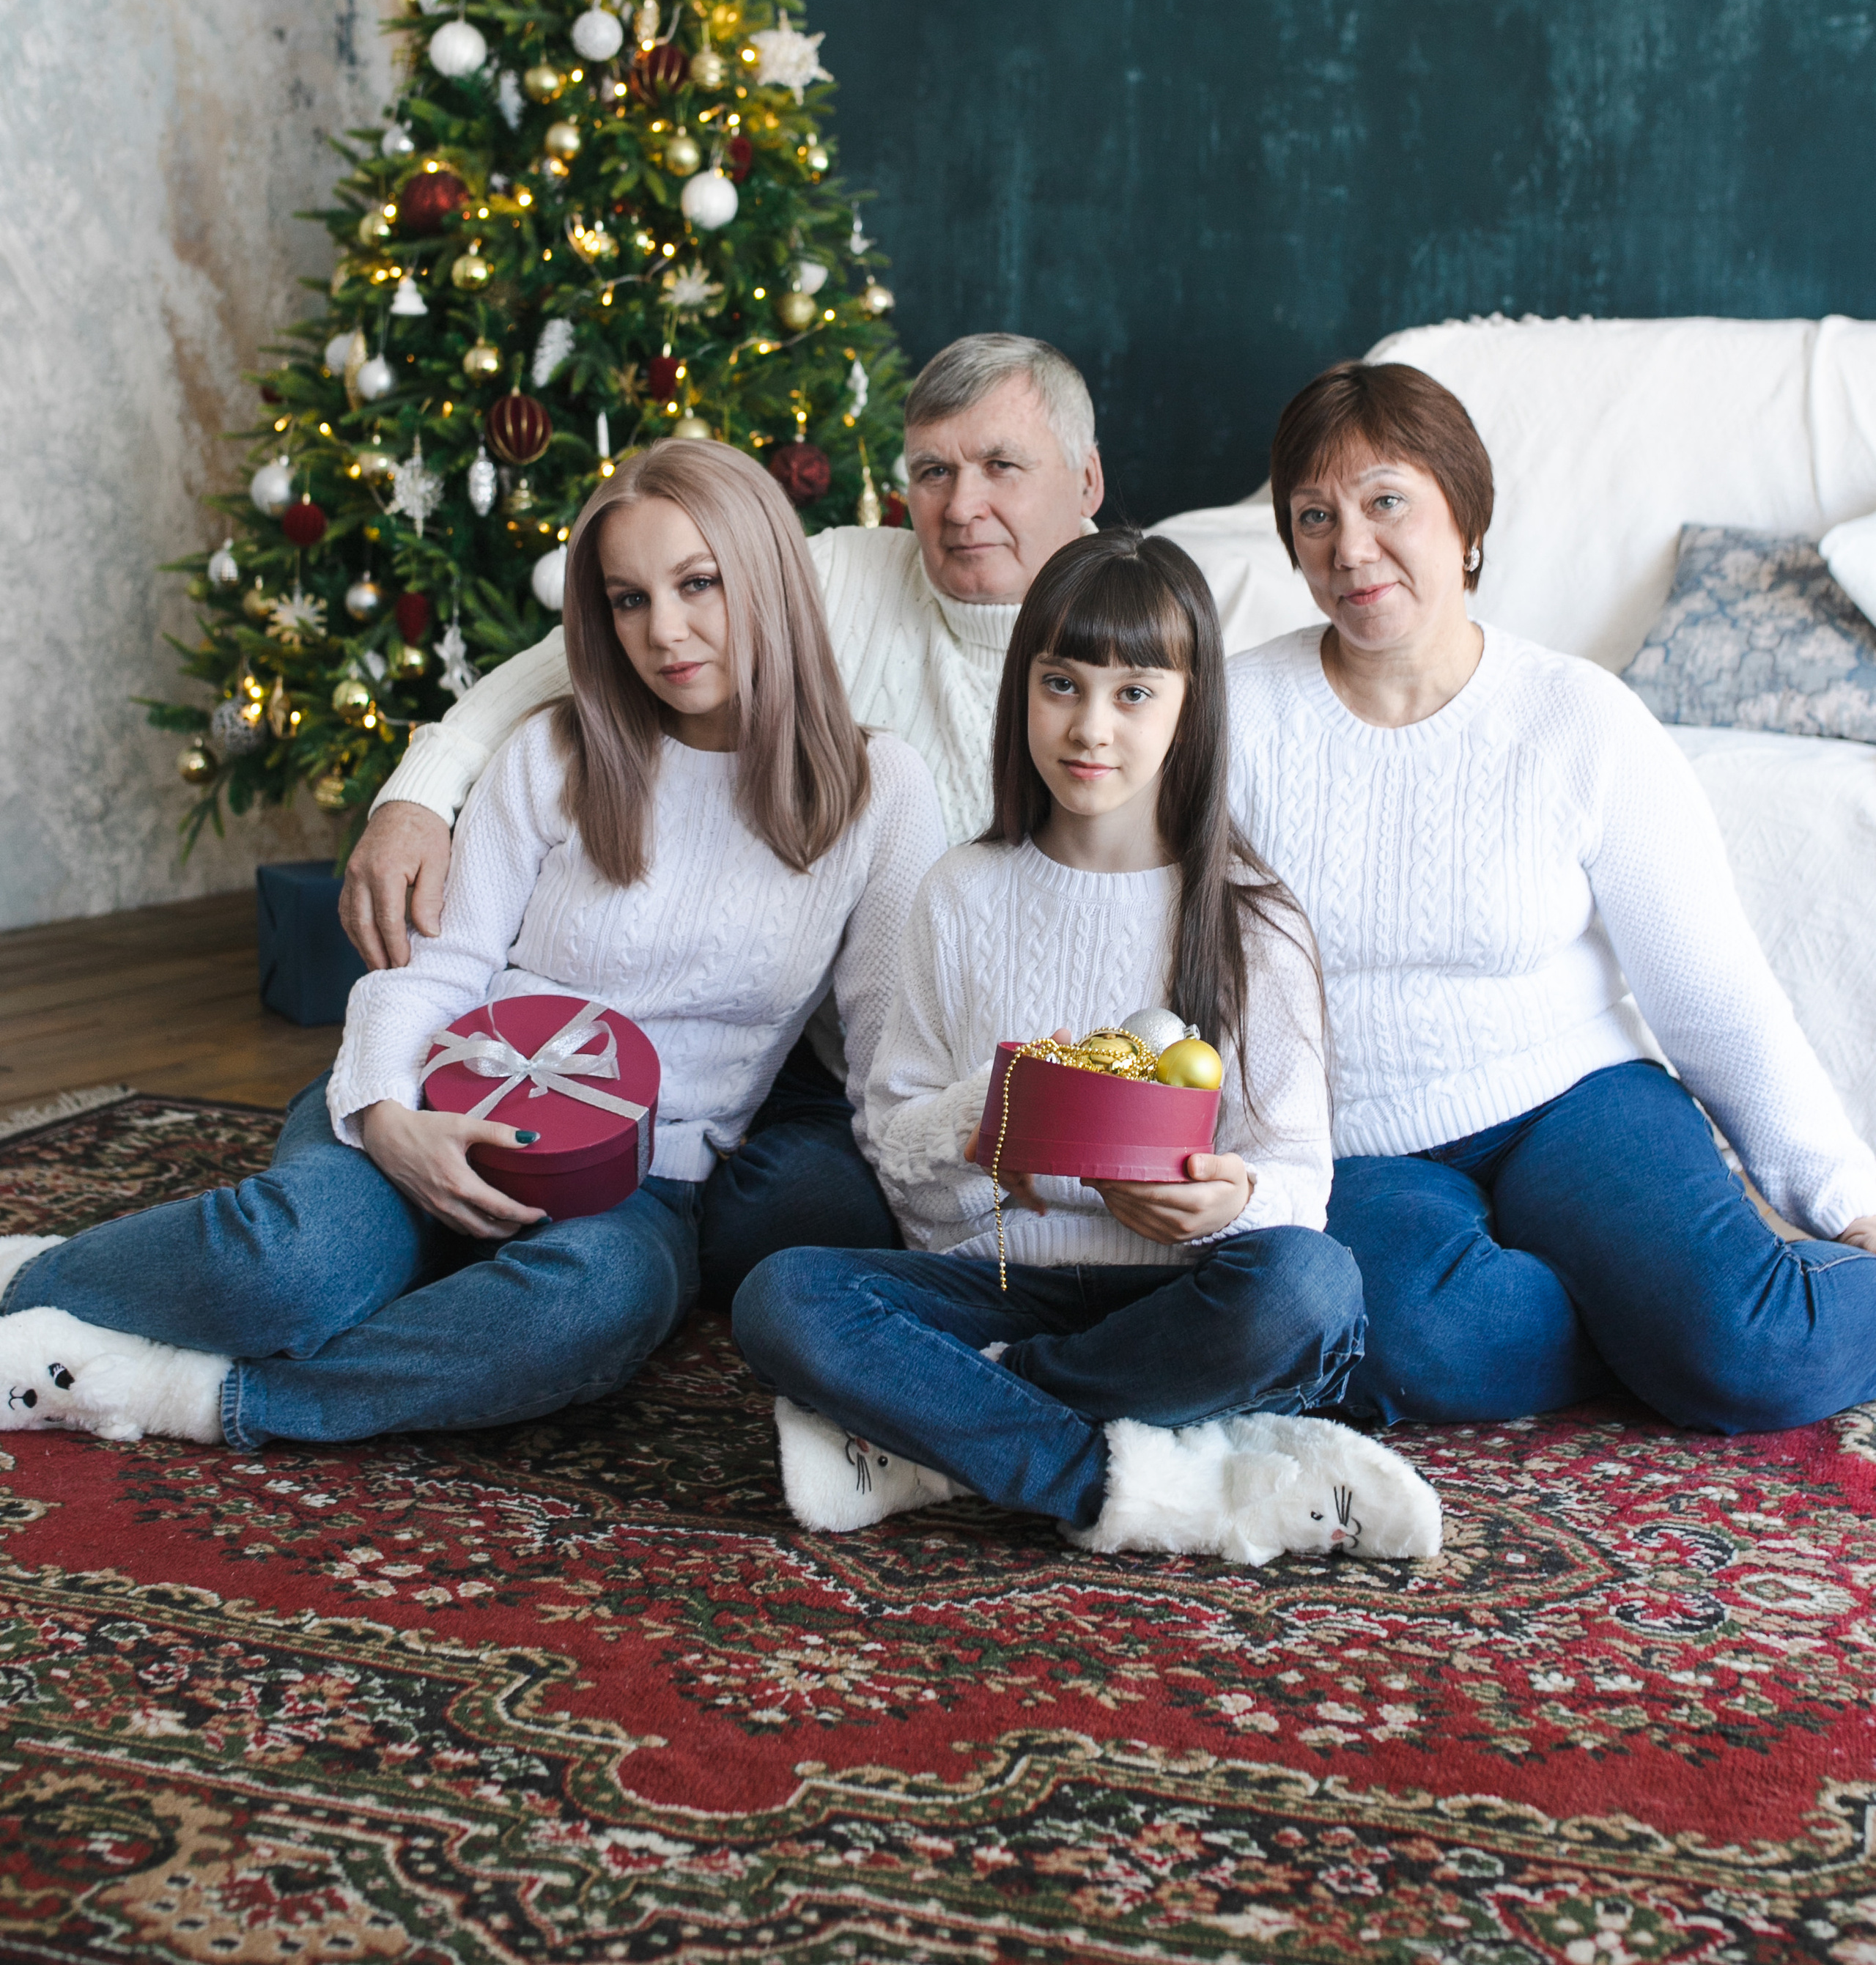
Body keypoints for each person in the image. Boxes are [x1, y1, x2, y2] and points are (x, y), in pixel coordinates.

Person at [0, 443, 943, 1450]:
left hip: (639, 1185)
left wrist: (971, 1268)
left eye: (698, 584)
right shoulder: (553, 751)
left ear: (770, 576)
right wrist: (387, 1116)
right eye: (628, 600)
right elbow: (438, 968)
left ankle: (206, 1396)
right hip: (431, 1099)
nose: (664, 632)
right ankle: (32, 1282)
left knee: (591, 1310)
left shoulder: (880, 791)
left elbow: (890, 1061)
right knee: (287, 1267)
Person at [339, 333, 1105, 1300]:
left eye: (1001, 466)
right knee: (774, 1223)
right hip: (805, 1042)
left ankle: (617, 1241)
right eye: (932, 472)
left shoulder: (1145, 635)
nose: (960, 506)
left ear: (1087, 480)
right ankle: (596, 1216)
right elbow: (583, 652)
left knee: (807, 1224)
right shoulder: (838, 570)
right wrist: (418, 790)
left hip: (949, 1056)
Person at [732, 531, 1442, 1562]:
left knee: (1311, 1289)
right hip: (999, 1284)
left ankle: (951, 1430)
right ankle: (1138, 1478)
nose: (1090, 727)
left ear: (1191, 709)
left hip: (1179, 1298)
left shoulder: (1253, 919)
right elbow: (896, 1151)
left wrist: (1229, 1204)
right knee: (783, 1298)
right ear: (1022, 690)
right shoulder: (960, 894)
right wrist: (992, 1118)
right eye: (1061, 684)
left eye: (1135, 693)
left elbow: (1300, 1180)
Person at [1230, 357, 1876, 1435]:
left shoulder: (1580, 717)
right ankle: (1648, 1325)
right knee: (1410, 1348)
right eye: (1315, 516)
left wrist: (1847, 1199)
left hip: (1574, 1100)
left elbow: (1713, 995)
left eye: (1386, 502)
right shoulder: (1235, 715)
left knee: (1749, 1351)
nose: (1350, 548)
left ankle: (1692, 1322)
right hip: (1360, 1140)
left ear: (1466, 519)